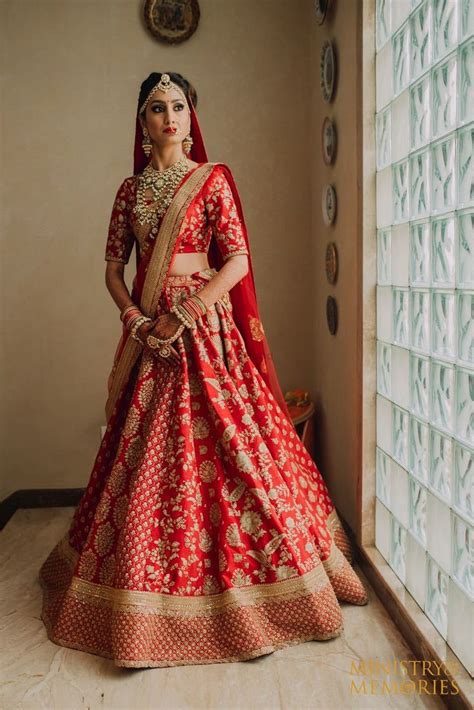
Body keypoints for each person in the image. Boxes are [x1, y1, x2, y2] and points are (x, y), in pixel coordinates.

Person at [39, 71, 368, 669]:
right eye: (158, 108)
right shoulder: (129, 191)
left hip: (204, 332)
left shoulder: (211, 182)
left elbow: (237, 261)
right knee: (147, 457)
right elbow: (115, 270)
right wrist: (139, 322)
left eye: (180, 107)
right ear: (142, 123)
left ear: (193, 117)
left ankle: (267, 591)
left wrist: (188, 311)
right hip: (151, 338)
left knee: (233, 445)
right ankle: (142, 604)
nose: (170, 117)